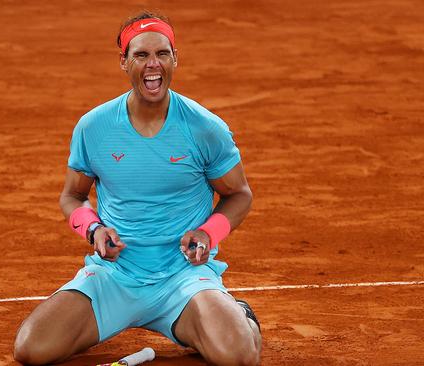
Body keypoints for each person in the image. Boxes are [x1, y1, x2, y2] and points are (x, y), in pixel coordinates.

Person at [13, 11, 261, 366]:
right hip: (115, 276)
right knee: (30, 348)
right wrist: (93, 229)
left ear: (175, 58)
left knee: (239, 358)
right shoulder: (94, 127)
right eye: (141, 55)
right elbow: (73, 195)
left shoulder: (205, 128)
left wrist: (208, 233)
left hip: (183, 278)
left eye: (162, 53)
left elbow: (239, 194)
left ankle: (239, 313)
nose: (152, 65)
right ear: (124, 62)